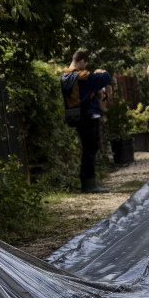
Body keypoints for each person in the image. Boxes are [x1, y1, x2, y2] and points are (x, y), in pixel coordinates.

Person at [59, 50, 113, 194]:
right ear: (82, 61)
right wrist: (100, 71)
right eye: (85, 64)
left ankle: (88, 181)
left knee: (87, 147)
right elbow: (106, 78)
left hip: (75, 115)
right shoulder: (81, 76)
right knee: (91, 146)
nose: (85, 67)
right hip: (87, 115)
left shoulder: (65, 76)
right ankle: (89, 182)